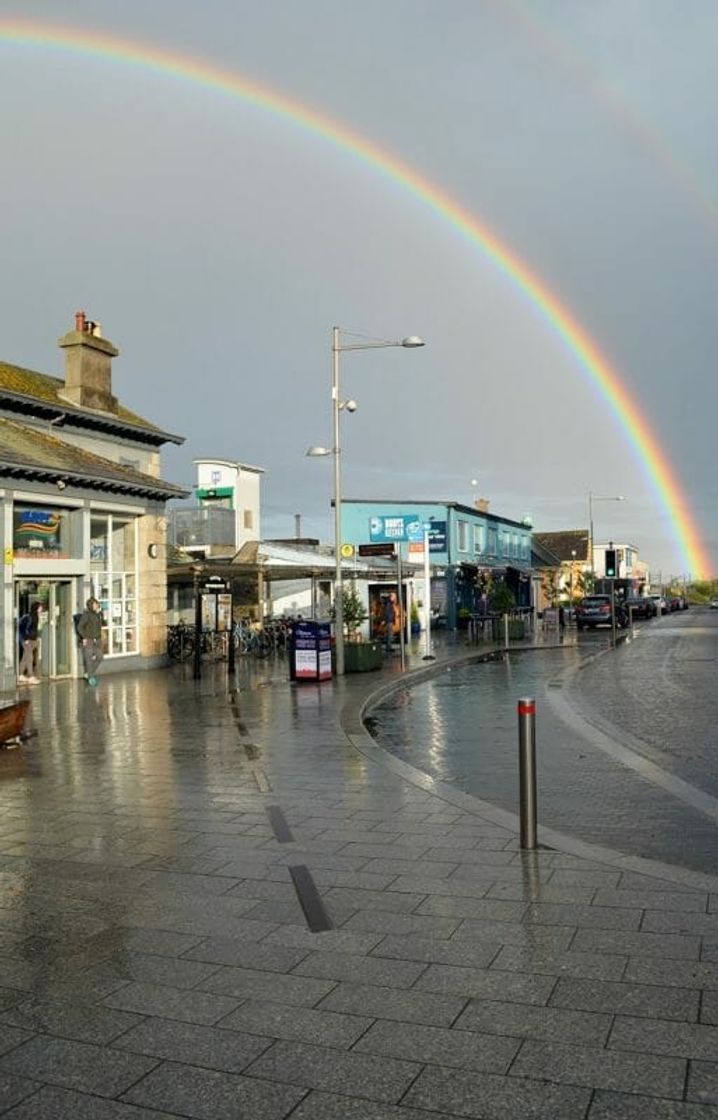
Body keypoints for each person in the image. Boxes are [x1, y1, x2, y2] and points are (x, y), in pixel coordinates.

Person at [77, 597, 103, 686]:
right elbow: (79, 627)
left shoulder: (97, 614)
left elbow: (99, 627)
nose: (97, 605)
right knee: (88, 659)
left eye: (97, 604)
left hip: (96, 640)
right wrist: (84, 637)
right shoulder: (86, 615)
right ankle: (91, 678)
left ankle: (88, 673)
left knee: (100, 657)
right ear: (91, 605)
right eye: (95, 604)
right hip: (88, 640)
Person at [17, 602, 42, 685]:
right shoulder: (29, 617)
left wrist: (36, 638)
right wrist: (25, 639)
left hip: (32, 640)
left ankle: (20, 675)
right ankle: (31, 676)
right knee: (30, 657)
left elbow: (34, 629)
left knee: (25, 657)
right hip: (26, 640)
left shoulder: (36, 617)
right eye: (40, 607)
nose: (41, 609)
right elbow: (21, 628)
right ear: (36, 608)